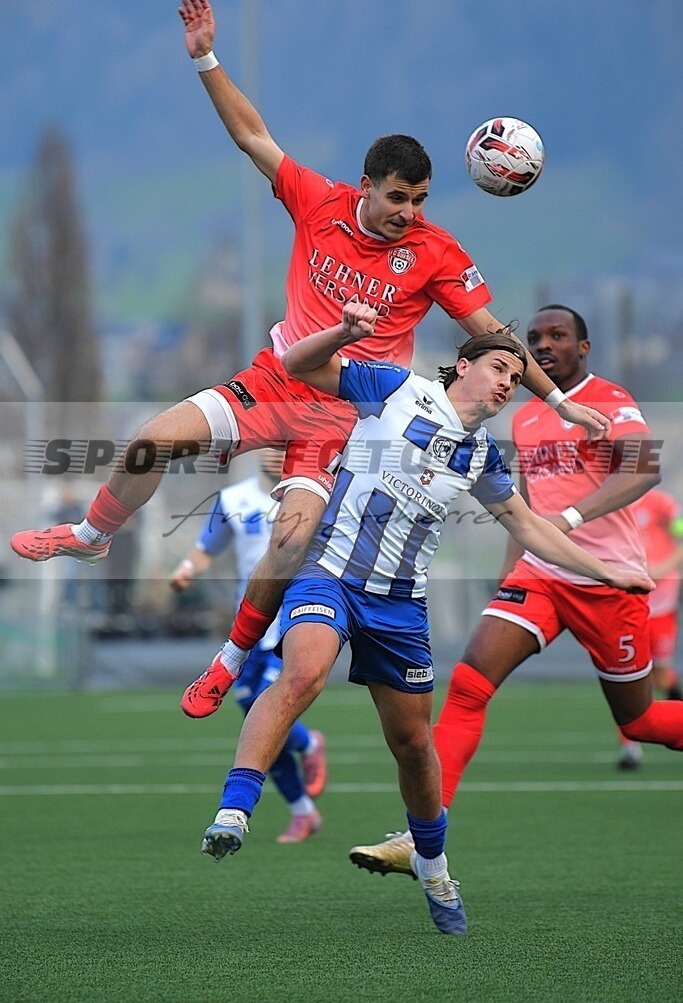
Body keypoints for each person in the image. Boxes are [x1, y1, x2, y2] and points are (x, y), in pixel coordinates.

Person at [11, 0, 609, 710]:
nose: (408, 213)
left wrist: (558, 400)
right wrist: (205, 56)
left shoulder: (434, 253)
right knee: (148, 442)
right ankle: (90, 535)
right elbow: (251, 135)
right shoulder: (316, 201)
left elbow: (497, 335)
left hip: (345, 415)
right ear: (365, 186)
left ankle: (229, 660)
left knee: (292, 539)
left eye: (418, 199)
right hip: (273, 382)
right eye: (397, 198)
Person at [198, 300, 651, 937]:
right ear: (461, 364)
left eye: (513, 380)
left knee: (413, 745)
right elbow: (297, 364)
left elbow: (526, 526)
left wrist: (607, 572)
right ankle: (235, 810)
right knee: (302, 675)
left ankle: (433, 864)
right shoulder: (392, 389)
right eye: (498, 368)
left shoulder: (482, 458)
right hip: (328, 573)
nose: (504, 383)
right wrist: (348, 332)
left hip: (399, 604)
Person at [347, 304, 683, 883]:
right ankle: (422, 836)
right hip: (538, 577)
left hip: (608, 578)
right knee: (469, 687)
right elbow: (522, 511)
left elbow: (644, 470)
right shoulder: (525, 418)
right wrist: (512, 574)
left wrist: (571, 519)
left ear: (584, 347)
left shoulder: (607, 396)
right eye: (533, 339)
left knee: (639, 721)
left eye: (558, 336)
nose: (543, 346)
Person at [170, 448, 327, 842]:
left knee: (264, 706)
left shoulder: (319, 493)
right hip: (253, 621)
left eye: (287, 448)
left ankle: (307, 746)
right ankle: (304, 806)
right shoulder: (233, 499)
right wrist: (187, 570)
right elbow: (207, 547)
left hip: (297, 617)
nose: (279, 455)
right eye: (273, 447)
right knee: (255, 718)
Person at [617, 485, 683, 769]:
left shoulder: (660, 503)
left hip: (662, 602)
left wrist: (663, 567)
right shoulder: (611, 504)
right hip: (626, 602)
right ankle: (630, 750)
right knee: (625, 674)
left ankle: (675, 697)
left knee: (660, 674)